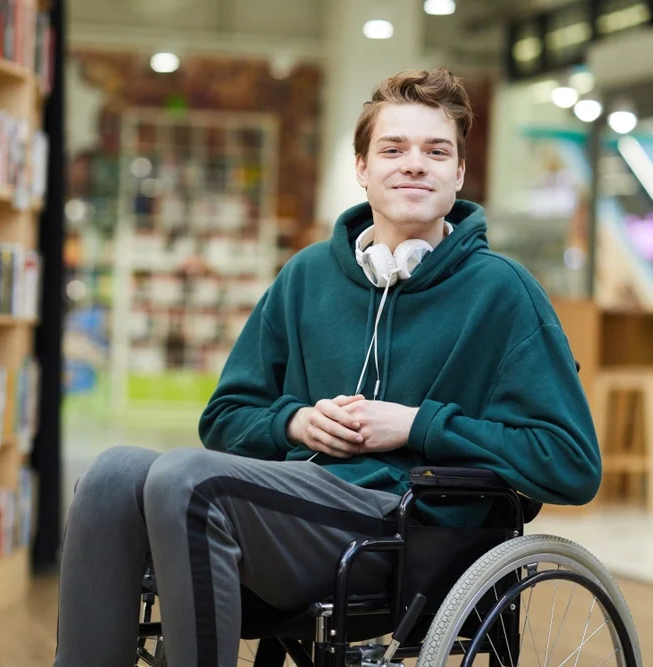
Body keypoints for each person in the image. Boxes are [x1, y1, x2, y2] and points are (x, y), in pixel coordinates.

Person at [52, 68, 601, 667]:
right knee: (111, 476)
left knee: (188, 478)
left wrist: (416, 426)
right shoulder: (307, 276)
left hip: (404, 531)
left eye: (436, 151)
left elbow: (571, 462)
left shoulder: (504, 292)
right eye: (393, 148)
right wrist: (296, 425)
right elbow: (226, 417)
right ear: (362, 168)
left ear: (459, 174)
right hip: (294, 509)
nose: (415, 164)